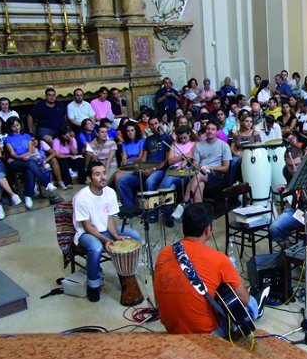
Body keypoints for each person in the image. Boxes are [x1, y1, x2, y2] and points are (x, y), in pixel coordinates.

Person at [154, 203, 265, 334]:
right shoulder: (219, 259)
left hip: (171, 329)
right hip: (204, 334)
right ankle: (257, 310)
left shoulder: (164, 252)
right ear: (208, 229)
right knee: (244, 305)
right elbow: (244, 299)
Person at [73, 161, 141, 302]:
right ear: (89, 179)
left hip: (106, 229)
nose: (103, 177)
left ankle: (127, 274)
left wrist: (116, 236)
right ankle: (93, 284)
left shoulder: (110, 192)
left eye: (104, 173)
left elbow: (109, 219)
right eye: (97, 174)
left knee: (135, 235)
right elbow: (88, 227)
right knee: (96, 248)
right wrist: (106, 240)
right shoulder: (81, 198)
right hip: (86, 233)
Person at [269, 147, 307, 248]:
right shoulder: (286, 171)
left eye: (297, 165)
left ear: (303, 161)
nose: (294, 170)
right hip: (299, 211)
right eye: (290, 166)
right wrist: (287, 187)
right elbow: (296, 187)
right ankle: (292, 256)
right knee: (275, 228)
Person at [118, 116, 171, 208]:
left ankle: (152, 211)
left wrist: (153, 169)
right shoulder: (148, 140)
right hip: (146, 168)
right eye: (152, 124)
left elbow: (166, 161)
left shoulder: (167, 138)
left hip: (159, 170)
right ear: (149, 126)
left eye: (156, 123)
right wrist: (140, 168)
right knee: (122, 180)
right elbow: (144, 158)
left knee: (150, 181)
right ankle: (130, 208)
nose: (154, 126)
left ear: (160, 123)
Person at [4, 117, 56, 209]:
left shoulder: (27, 136)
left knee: (29, 169)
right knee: (30, 164)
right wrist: (21, 157)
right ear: (10, 127)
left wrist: (25, 156)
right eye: (13, 126)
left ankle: (28, 195)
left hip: (27, 160)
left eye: (17, 125)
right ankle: (47, 184)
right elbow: (12, 153)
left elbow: (31, 151)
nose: (16, 128)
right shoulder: (8, 139)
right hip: (15, 162)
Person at [184, 120, 231, 203]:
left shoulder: (224, 145)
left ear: (217, 131)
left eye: (213, 129)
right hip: (201, 172)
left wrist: (210, 167)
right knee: (200, 184)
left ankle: (184, 202)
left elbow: (226, 168)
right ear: (205, 130)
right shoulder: (199, 145)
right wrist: (202, 168)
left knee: (198, 175)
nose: (210, 131)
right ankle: (198, 212)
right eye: (208, 129)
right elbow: (195, 164)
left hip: (217, 174)